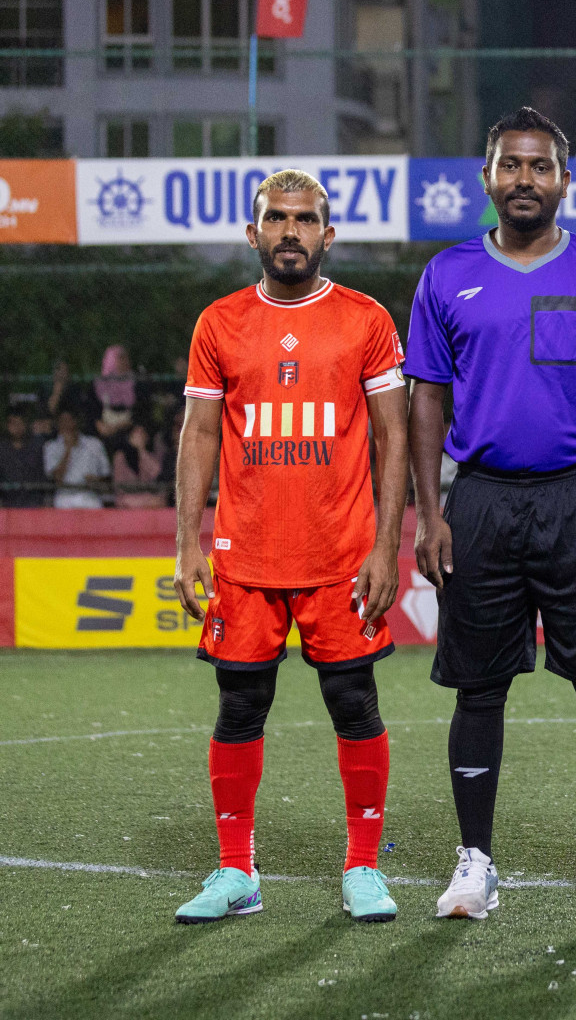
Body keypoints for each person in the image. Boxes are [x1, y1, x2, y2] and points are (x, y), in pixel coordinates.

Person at [405, 108, 576, 922]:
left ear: (563, 180)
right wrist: (429, 510)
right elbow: (426, 402)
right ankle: (474, 862)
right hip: (478, 499)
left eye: (540, 166)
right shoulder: (446, 274)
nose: (524, 179)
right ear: (487, 177)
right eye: (510, 166)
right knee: (478, 691)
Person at [170, 169, 409, 924]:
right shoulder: (218, 323)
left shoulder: (366, 319)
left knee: (353, 702)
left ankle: (363, 868)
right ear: (253, 233)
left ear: (327, 235)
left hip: (341, 555)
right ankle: (235, 871)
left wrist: (387, 546)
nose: (290, 231)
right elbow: (200, 433)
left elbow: (394, 437)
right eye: (276, 218)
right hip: (246, 560)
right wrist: (186, 544)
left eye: (305, 220)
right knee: (240, 706)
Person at [43, 409, 111, 509]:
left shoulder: (95, 444)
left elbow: (106, 475)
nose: (66, 424)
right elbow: (57, 478)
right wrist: (68, 450)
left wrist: (96, 480)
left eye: (69, 420)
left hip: (90, 496)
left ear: (76, 421)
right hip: (64, 497)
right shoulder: (51, 447)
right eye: (62, 421)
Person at [93, 345, 141, 451]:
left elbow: (140, 410)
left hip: (128, 428)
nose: (125, 362)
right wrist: (100, 426)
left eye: (126, 358)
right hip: (104, 428)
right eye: (120, 358)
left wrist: (118, 427)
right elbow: (93, 411)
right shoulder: (99, 384)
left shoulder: (136, 383)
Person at [0, 410, 49, 507]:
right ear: (7, 425)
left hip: (33, 501)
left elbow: (43, 474)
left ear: (26, 425)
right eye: (13, 423)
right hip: (7, 502)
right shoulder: (2, 448)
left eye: (20, 423)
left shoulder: (37, 447)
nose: (17, 427)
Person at [112, 422, 166, 508]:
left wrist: (141, 450)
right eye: (136, 434)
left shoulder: (152, 454)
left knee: (158, 501)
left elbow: (156, 473)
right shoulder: (120, 457)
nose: (139, 437)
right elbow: (119, 486)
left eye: (142, 433)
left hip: (149, 497)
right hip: (127, 498)